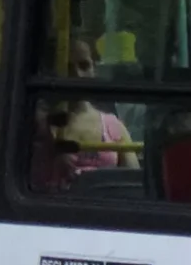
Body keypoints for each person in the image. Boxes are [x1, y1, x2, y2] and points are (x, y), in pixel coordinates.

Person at [32, 38, 139, 191]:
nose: (77, 74)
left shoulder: (112, 126)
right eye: (68, 68)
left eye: (84, 65)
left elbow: (132, 183)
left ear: (93, 69)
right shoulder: (41, 126)